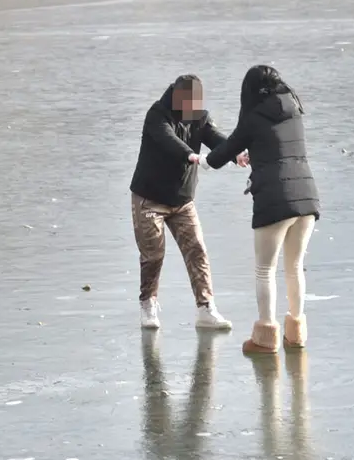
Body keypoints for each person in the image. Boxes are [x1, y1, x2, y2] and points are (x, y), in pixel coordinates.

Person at [197, 65, 320, 354]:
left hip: (275, 199)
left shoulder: (253, 117)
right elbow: (280, 148)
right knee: (294, 266)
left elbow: (221, 156)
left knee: (265, 269)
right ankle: (296, 332)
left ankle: (265, 337)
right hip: (307, 198)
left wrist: (200, 161)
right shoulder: (295, 111)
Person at [130, 74, 245, 331]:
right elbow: (167, 139)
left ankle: (206, 309)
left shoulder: (198, 115)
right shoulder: (157, 115)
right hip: (149, 199)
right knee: (153, 254)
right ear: (177, 97)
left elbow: (214, 136)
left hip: (182, 201)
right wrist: (191, 155)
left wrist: (234, 153)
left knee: (197, 250)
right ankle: (148, 303)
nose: (194, 107)